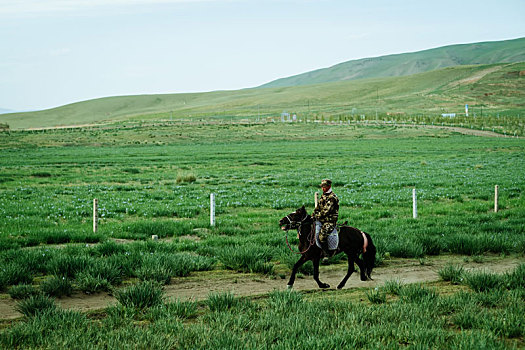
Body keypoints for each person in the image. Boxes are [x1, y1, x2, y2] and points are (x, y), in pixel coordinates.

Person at [312, 179, 339, 257]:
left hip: (329, 221)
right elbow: (318, 207)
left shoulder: (332, 197)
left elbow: (325, 211)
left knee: (322, 236)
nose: (323, 188)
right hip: (321, 219)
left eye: (324, 187)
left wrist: (317, 216)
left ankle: (326, 253)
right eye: (322, 187)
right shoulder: (323, 195)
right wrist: (314, 213)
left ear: (329, 186)